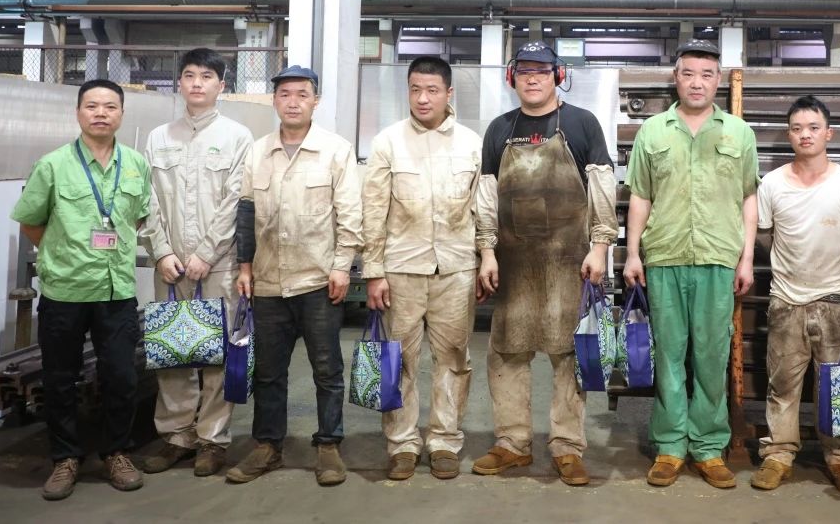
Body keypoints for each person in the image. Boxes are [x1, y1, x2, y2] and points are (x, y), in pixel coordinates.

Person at [471, 42, 618, 487]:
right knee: (507, 353)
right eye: (524, 71)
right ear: (511, 77)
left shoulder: (581, 123)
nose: (532, 78)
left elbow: (602, 186)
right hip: (514, 264)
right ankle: (512, 444)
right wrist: (487, 251)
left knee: (567, 356)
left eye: (541, 70)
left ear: (559, 76)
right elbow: (485, 194)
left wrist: (600, 246)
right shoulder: (499, 129)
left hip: (568, 262)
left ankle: (567, 447)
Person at [622, 38, 758, 490]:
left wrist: (746, 258)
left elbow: (749, 197)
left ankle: (709, 447)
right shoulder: (652, 131)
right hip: (665, 256)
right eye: (688, 74)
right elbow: (640, 196)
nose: (697, 83)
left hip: (719, 258)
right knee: (669, 355)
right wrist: (633, 253)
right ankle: (669, 446)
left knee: (712, 355)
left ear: (718, 81)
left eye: (706, 75)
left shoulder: (738, 133)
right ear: (676, 78)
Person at [10, 79, 153, 501]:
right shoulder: (53, 165)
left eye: (110, 106)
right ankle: (65, 458)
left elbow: (137, 218)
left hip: (116, 291)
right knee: (59, 379)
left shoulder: (136, 164)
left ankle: (116, 452)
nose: (101, 113)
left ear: (121, 114)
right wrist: (63, 254)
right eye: (92, 106)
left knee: (121, 376)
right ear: (78, 113)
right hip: (65, 291)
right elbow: (31, 222)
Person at [225, 65, 362, 488]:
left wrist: (342, 266)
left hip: (318, 280)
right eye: (285, 94)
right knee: (268, 371)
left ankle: (329, 445)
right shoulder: (258, 152)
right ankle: (267, 445)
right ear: (274, 100)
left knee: (326, 368)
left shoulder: (335, 150)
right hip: (267, 280)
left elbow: (350, 214)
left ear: (315, 101)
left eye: (302, 94)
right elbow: (245, 212)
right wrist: (245, 267)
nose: (293, 102)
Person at [362, 56, 483, 481]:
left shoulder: (471, 143)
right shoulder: (388, 142)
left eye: (432, 90)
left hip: (456, 269)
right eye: (415, 89)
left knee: (453, 358)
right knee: (400, 361)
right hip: (401, 271)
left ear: (449, 93)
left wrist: (486, 257)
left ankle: (445, 441)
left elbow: (482, 209)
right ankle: (403, 445)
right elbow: (373, 210)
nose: (423, 98)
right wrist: (373, 271)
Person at [752, 95, 840, 494]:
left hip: (836, 303)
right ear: (789, 135)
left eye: (813, 127)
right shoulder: (772, 184)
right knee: (782, 386)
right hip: (786, 301)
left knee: (838, 386)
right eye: (797, 128)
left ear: (829, 133)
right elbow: (763, 237)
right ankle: (778, 455)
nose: (805, 134)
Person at [139, 48, 253, 477]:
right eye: (189, 75)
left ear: (221, 85)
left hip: (218, 265)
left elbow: (236, 202)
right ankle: (177, 436)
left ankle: (212, 439)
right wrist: (161, 251)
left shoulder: (237, 137)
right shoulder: (158, 138)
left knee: (218, 354)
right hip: (170, 267)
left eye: (206, 76)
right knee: (173, 350)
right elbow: (147, 200)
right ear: (180, 83)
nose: (197, 83)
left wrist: (207, 252)